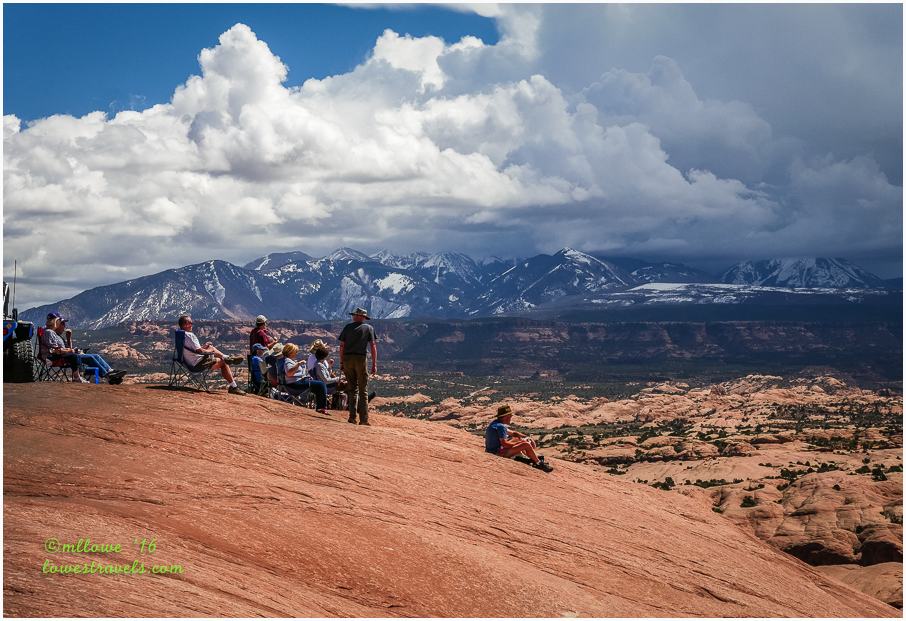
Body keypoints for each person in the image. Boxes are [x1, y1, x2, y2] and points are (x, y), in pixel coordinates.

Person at [177, 314, 246, 395]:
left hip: (186, 362)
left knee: (210, 347)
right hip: (197, 365)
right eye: (190, 323)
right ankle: (233, 386)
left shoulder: (180, 334)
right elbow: (200, 351)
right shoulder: (190, 336)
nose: (192, 324)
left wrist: (205, 347)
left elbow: (194, 349)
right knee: (223, 361)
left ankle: (226, 357)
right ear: (185, 325)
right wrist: (211, 351)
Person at [56, 318, 127, 384]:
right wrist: (72, 351)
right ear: (57, 325)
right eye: (63, 324)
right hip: (65, 358)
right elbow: (60, 350)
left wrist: (69, 338)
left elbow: (69, 348)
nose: (64, 326)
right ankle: (108, 376)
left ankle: (110, 371)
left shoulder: (60, 337)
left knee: (96, 356)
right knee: (90, 358)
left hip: (70, 355)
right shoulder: (56, 336)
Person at [338, 307, 378, 425]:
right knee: (363, 390)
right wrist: (374, 364)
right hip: (360, 359)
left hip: (347, 358)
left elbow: (342, 346)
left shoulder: (347, 327)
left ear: (360, 316)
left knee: (352, 389)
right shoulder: (369, 328)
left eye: (355, 315)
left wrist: (341, 362)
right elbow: (373, 346)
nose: (353, 316)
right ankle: (364, 419)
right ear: (364, 317)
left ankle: (352, 417)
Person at [485, 405, 553, 472]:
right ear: (506, 417)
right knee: (526, 445)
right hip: (497, 453)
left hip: (493, 450)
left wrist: (526, 437)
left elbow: (514, 433)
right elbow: (505, 444)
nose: (511, 418)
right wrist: (520, 443)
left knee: (519, 439)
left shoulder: (495, 424)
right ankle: (538, 463)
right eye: (510, 416)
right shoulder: (501, 427)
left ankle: (530, 457)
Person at [39, 313, 88, 382]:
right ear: (56, 322)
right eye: (62, 323)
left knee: (77, 355)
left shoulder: (53, 333)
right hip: (52, 358)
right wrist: (70, 351)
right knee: (75, 356)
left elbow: (60, 349)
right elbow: (55, 350)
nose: (64, 326)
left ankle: (80, 376)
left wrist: (69, 342)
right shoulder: (49, 332)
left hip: (57, 355)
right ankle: (77, 377)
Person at [281, 343, 328, 414]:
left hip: (296, 382)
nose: (296, 353)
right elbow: (289, 373)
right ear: (291, 352)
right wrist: (298, 364)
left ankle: (320, 407)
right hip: (295, 384)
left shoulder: (289, 360)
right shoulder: (287, 361)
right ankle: (321, 407)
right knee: (321, 385)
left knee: (318, 385)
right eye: (295, 351)